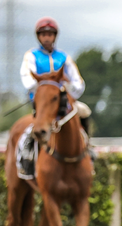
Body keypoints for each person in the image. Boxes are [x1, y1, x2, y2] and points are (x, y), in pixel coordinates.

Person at [17, 17, 91, 178]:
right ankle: (27, 155)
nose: (47, 38)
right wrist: (47, 85)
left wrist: (68, 87)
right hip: (43, 102)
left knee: (85, 111)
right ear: (39, 37)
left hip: (64, 103)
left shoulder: (64, 58)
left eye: (50, 34)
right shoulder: (31, 56)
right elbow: (27, 79)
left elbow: (79, 83)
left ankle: (88, 149)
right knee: (33, 127)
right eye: (43, 34)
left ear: (55, 36)